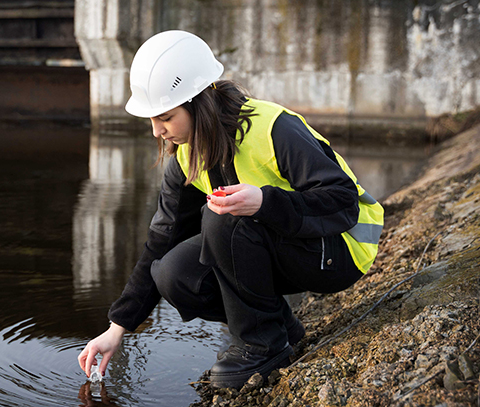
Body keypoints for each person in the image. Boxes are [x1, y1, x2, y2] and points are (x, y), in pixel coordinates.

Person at [77, 30, 384, 389]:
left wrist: (266, 202)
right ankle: (279, 328)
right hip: (290, 245)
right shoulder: (186, 157)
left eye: (165, 117)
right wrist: (118, 328)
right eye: (152, 119)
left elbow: (342, 200)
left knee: (222, 219)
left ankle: (261, 346)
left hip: (340, 249)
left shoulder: (273, 128)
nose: (157, 131)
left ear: (198, 101)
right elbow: (159, 243)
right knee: (172, 274)